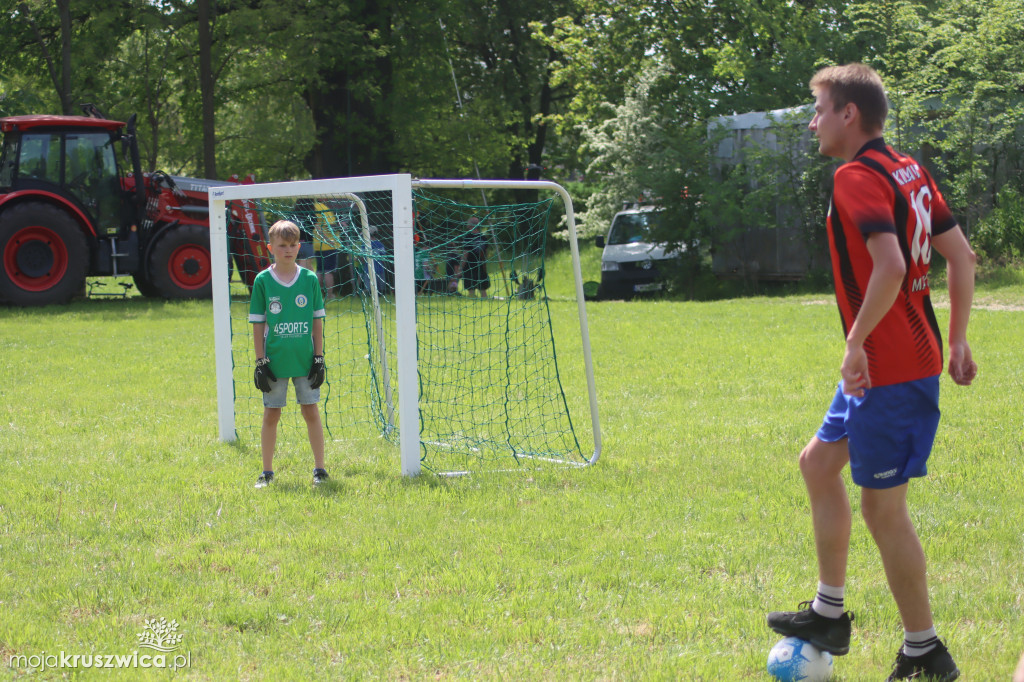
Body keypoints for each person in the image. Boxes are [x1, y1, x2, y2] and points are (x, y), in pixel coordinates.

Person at [766, 64, 977, 682]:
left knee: (884, 512)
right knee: (817, 464)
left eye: (819, 109)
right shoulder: (907, 169)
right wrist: (957, 339)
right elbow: (961, 257)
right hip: (884, 365)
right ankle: (829, 613)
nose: (813, 122)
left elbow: (887, 267)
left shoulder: (855, 176)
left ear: (848, 114)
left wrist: (855, 344)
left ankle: (924, 649)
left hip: (888, 368)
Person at [249, 220, 330, 488]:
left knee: (311, 411)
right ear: (271, 247)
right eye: (282, 245)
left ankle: (320, 469)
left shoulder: (309, 279)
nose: (289, 250)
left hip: (305, 360)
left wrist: (319, 357)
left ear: (299, 246)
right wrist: (260, 361)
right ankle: (267, 472)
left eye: (293, 244)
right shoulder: (263, 280)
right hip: (275, 360)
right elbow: (258, 323)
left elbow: (317, 320)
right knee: (271, 414)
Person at [458, 216, 491, 298]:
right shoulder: (483, 237)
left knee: (471, 291)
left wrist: (460, 268)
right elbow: (485, 254)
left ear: (469, 225)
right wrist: (484, 267)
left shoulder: (468, 237)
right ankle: (485, 304)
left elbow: (465, 254)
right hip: (481, 266)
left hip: (469, 267)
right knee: (483, 290)